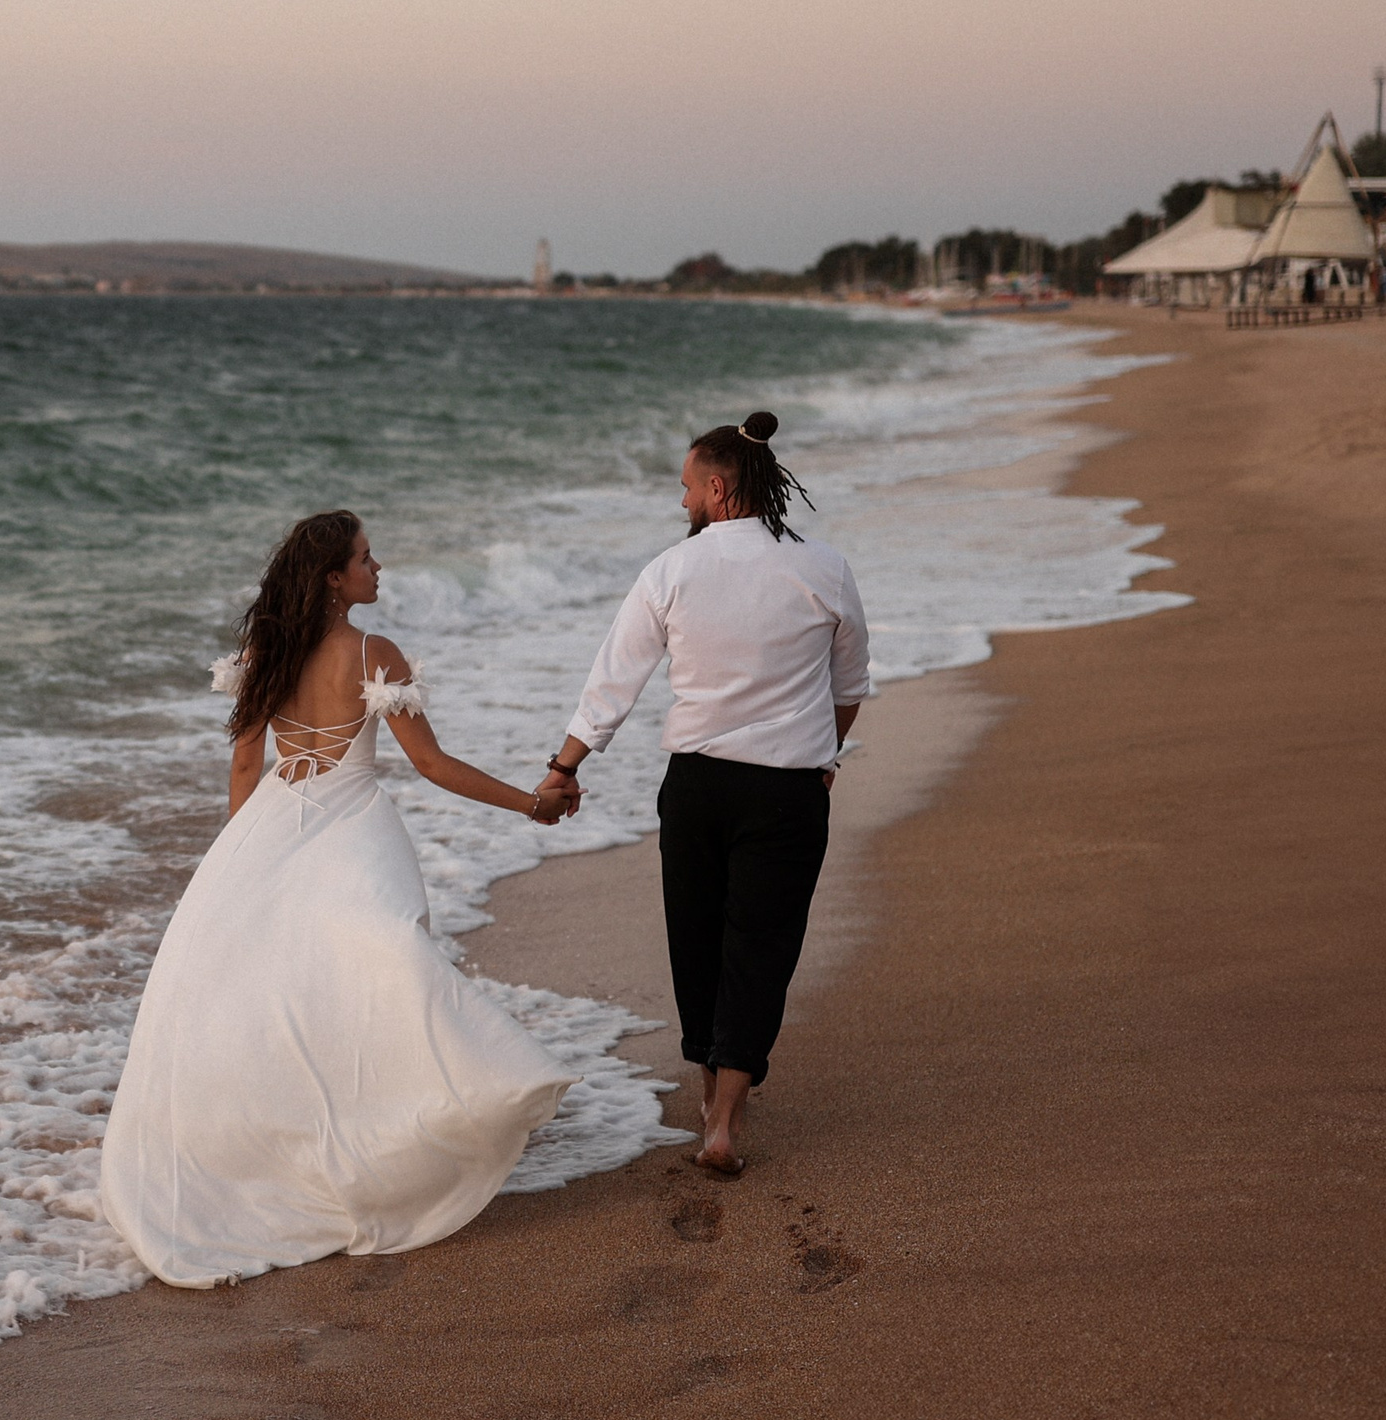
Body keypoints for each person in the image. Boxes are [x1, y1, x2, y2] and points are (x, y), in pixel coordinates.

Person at [99, 510, 579, 1288]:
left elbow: (246, 766)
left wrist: (238, 858)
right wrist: (532, 803)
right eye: (364, 557)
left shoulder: (268, 652)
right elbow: (432, 764)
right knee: (380, 970)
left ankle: (306, 1145)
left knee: (297, 991)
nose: (377, 567)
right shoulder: (372, 652)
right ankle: (438, 1111)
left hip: (271, 824)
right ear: (333, 578)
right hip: (354, 826)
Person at [535, 412, 869, 1178]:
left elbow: (613, 683)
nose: (681, 498)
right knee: (762, 943)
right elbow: (849, 687)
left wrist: (564, 767)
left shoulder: (670, 571)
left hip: (697, 786)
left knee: (698, 938)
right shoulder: (825, 567)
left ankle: (713, 1086)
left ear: (717, 490)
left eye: (687, 485)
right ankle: (725, 1119)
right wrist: (823, 755)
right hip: (788, 790)